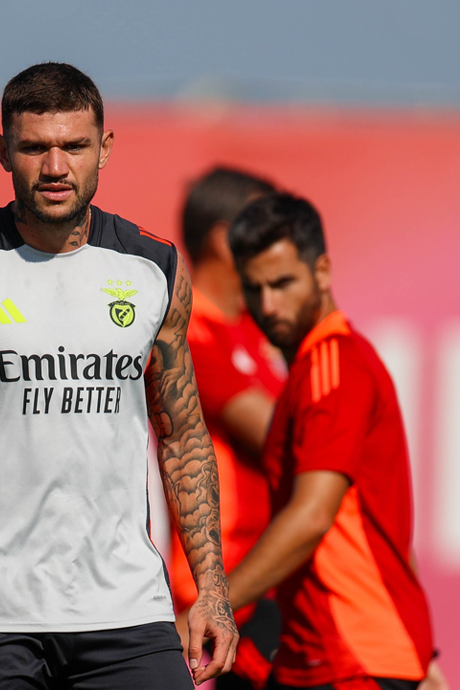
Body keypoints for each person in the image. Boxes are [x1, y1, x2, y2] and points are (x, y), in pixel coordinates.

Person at [0, 62, 237, 690]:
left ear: (104, 148)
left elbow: (183, 438)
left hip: (128, 610)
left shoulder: (155, 270)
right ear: (3, 151)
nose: (55, 167)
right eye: (34, 148)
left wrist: (212, 589)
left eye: (74, 146)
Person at [225, 192, 434, 690]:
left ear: (322, 271)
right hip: (335, 652)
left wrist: (211, 606)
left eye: (283, 283)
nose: (268, 305)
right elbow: (384, 528)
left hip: (352, 655)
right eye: (254, 288)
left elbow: (312, 515)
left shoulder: (331, 365)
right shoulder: (322, 366)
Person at [171, 167, 286, 690]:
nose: (281, 241)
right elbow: (284, 435)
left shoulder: (255, 332)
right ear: (223, 239)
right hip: (231, 583)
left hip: (274, 577)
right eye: (266, 225)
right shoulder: (188, 332)